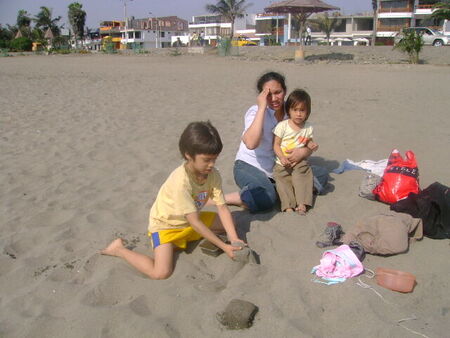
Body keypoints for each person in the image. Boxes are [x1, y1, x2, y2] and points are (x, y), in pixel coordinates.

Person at [102, 121, 245, 280]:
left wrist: (233, 239)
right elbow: (195, 223)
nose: (211, 165)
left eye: (214, 159)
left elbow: (223, 208)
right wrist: (224, 246)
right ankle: (118, 249)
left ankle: (179, 243)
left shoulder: (213, 175)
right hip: (166, 226)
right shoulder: (181, 182)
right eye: (206, 160)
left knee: (231, 222)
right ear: (188, 155)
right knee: (160, 273)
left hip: (189, 222)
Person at [226, 72, 312, 212]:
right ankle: (223, 199)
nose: (274, 99)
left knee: (318, 175)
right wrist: (261, 107)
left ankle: (270, 189)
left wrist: (304, 151)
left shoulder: (291, 113)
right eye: (268, 94)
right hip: (248, 166)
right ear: (261, 96)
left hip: (278, 168)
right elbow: (251, 143)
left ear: (284, 91)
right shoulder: (255, 112)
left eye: (278, 92)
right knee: (268, 198)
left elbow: (306, 140)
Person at [273, 89, 318, 214]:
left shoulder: (308, 127)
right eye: (295, 110)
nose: (298, 114)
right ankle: (288, 206)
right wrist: (282, 157)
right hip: (282, 162)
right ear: (289, 110)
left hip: (300, 162)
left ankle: (302, 203)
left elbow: (307, 141)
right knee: (282, 181)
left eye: (302, 110)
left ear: (307, 112)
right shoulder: (283, 126)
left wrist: (311, 145)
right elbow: (276, 145)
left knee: (303, 177)